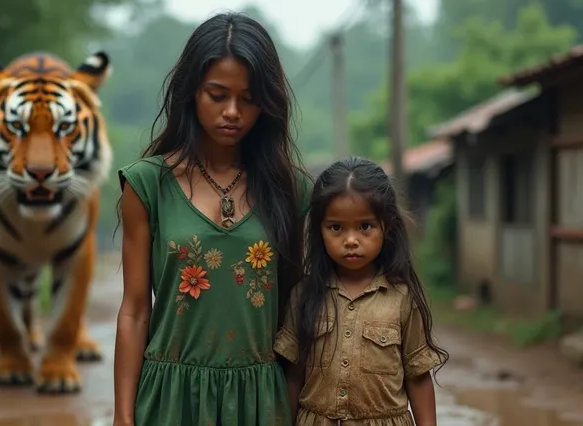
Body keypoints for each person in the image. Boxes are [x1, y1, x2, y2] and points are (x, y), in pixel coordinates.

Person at [112, 11, 312, 426]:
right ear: (191, 93)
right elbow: (134, 310)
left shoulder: (291, 192)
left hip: (261, 402)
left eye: (249, 99)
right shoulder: (148, 184)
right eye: (217, 95)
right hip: (169, 401)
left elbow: (298, 315)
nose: (233, 112)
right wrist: (122, 417)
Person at [274, 156, 449, 426]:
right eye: (336, 228)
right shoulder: (305, 295)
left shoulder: (402, 298)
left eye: (365, 226)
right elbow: (293, 376)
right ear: (319, 229)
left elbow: (417, 376)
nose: (351, 240)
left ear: (386, 225)